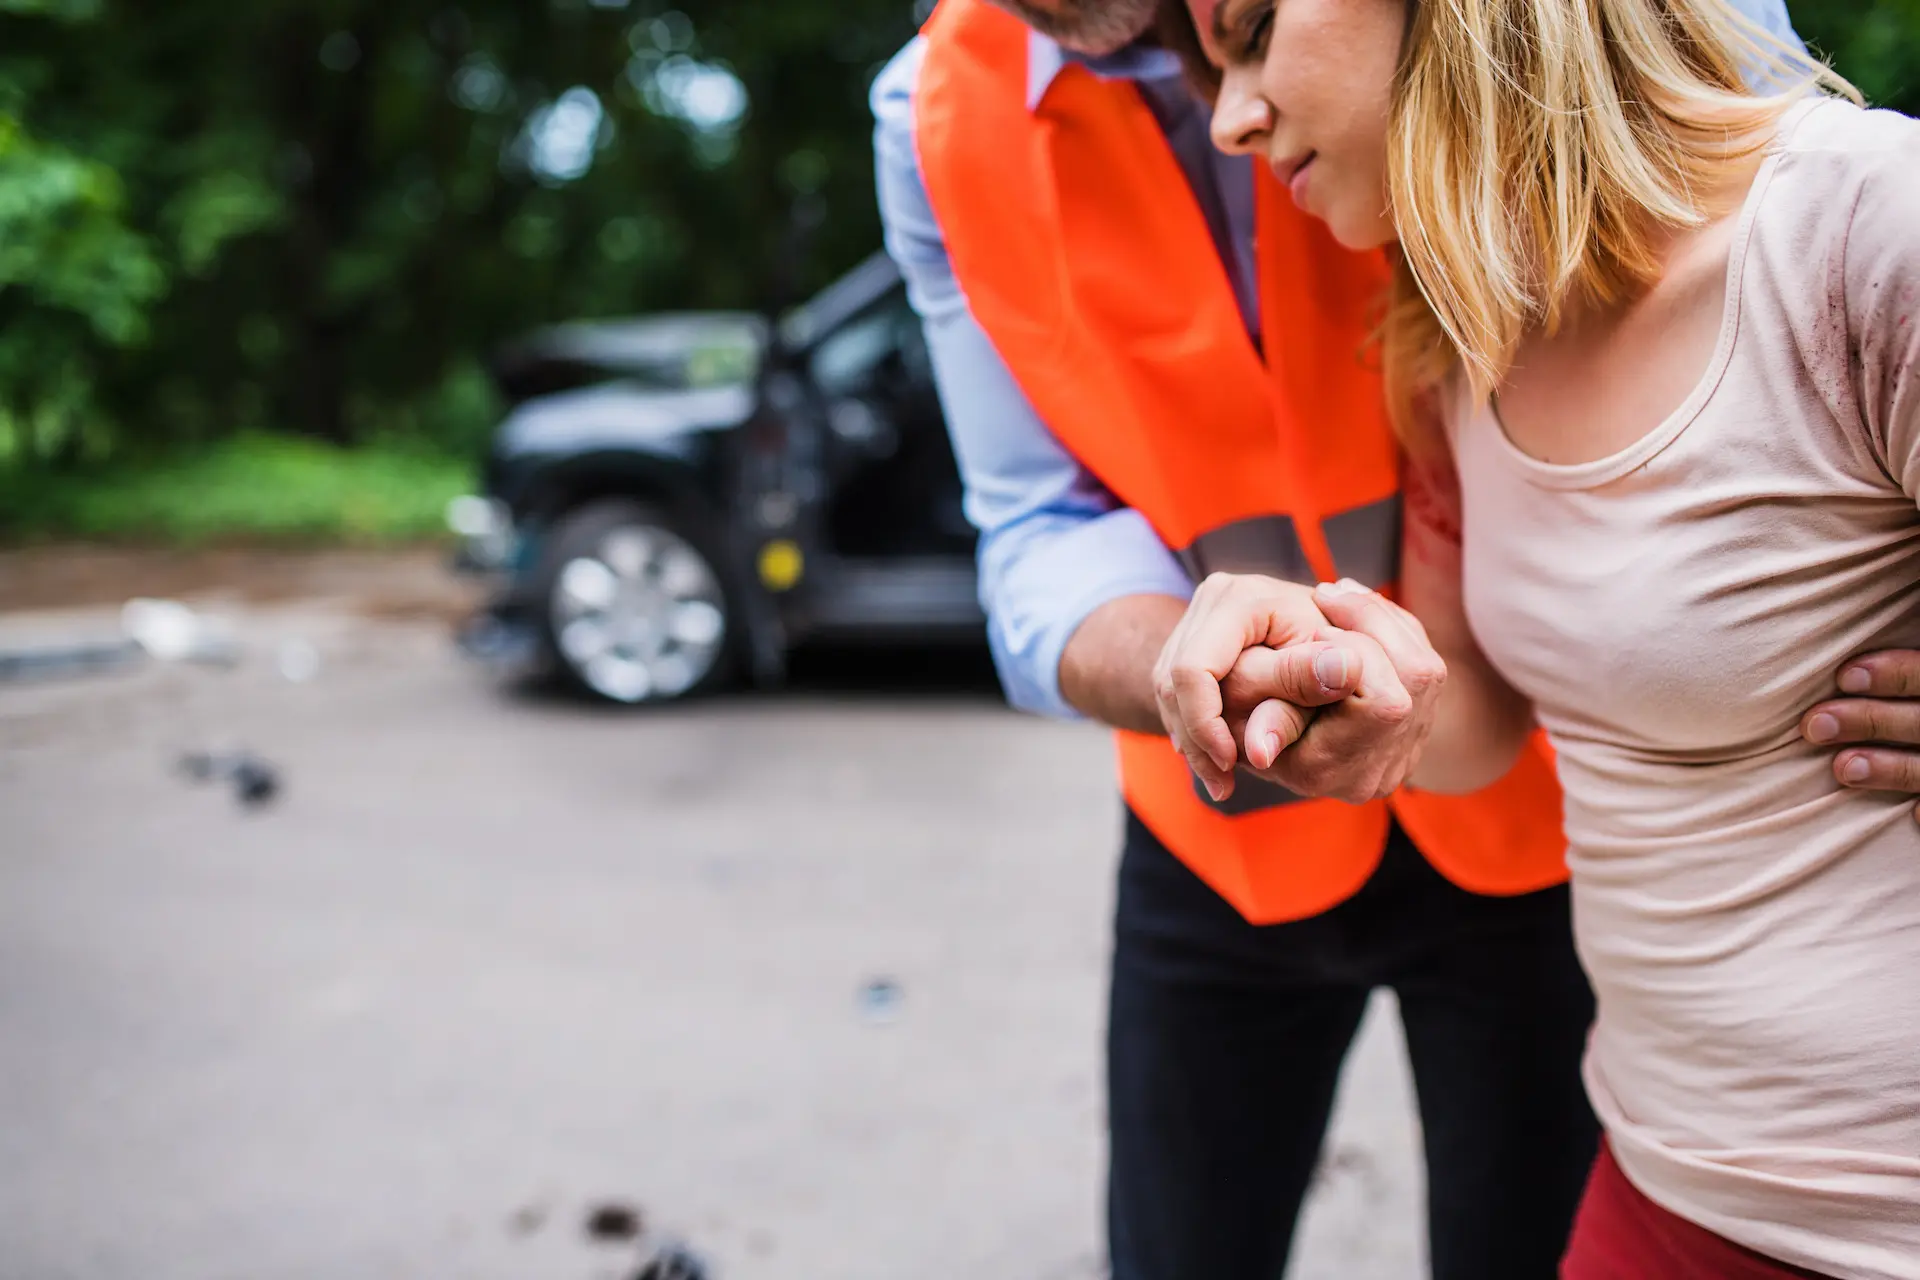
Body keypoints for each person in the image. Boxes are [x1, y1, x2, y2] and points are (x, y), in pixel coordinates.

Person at [1162, 0, 1920, 1275]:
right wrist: (1322, 663)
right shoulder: (1456, 334)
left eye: (1251, 29)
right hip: (1659, 1179)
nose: (1231, 117)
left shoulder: (1857, 224)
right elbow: (1465, 731)